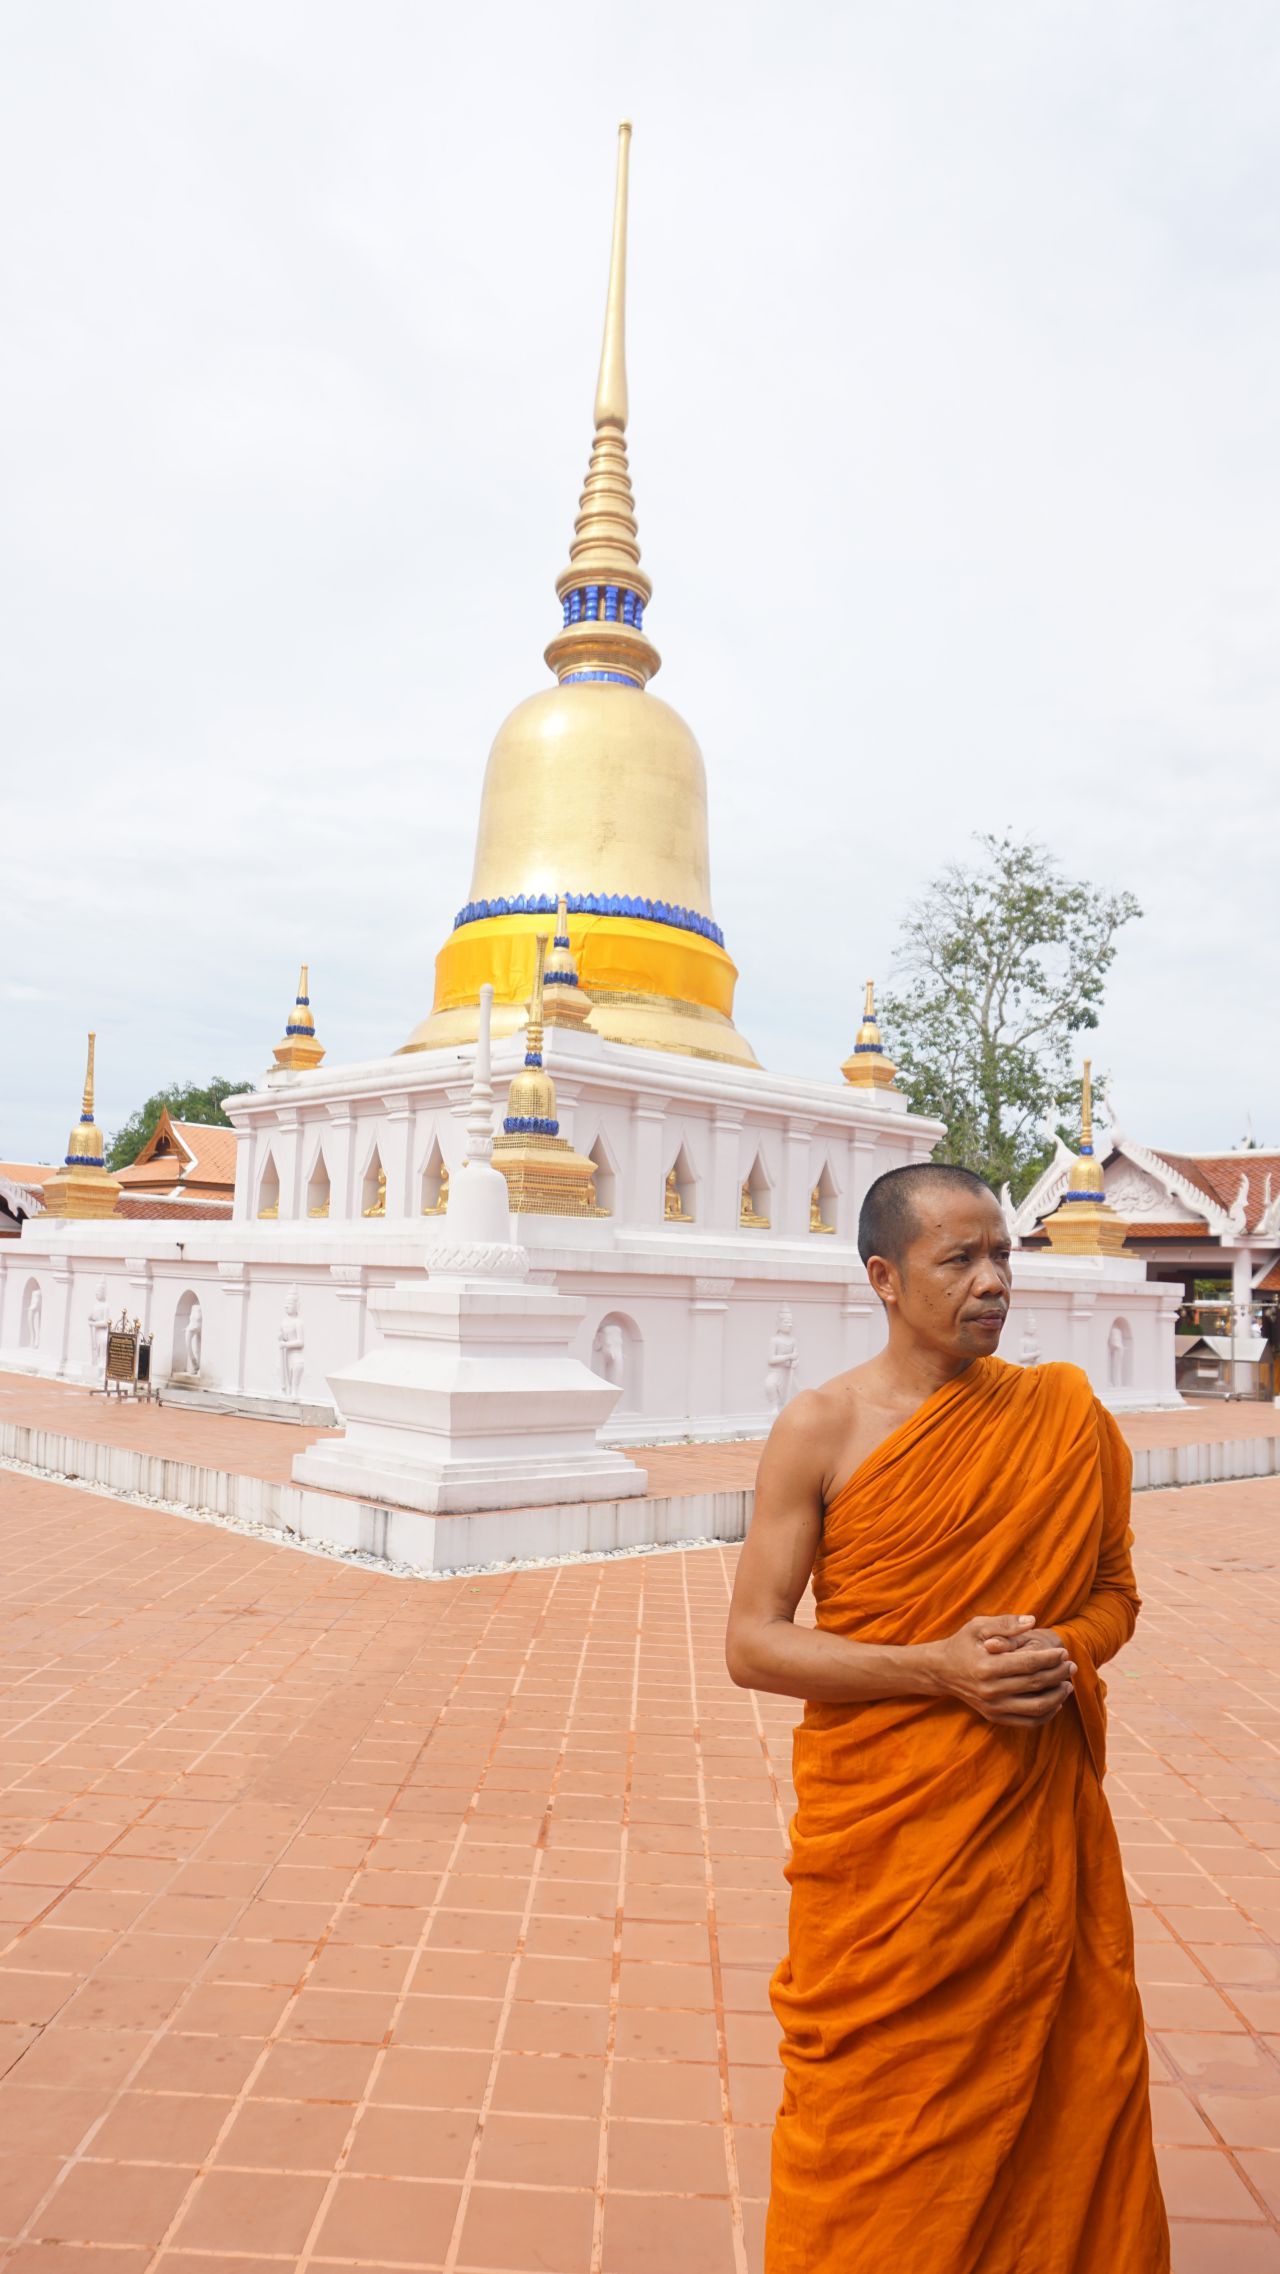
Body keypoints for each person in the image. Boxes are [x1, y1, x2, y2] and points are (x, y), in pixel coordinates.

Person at [725, 1161, 1168, 2274]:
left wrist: (1052, 1652)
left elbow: (1112, 1593)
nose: (992, 1283)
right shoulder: (819, 1428)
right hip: (891, 1846)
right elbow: (752, 1643)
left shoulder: (1062, 1417)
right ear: (883, 1276)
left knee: (1063, 2072)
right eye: (957, 1259)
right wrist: (939, 1671)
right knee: (875, 2103)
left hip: (1027, 1818)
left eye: (1002, 1256)